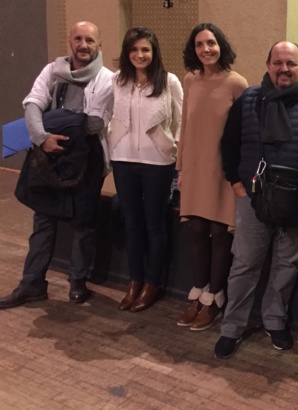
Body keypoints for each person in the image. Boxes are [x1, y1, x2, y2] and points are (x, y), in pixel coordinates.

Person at [214, 41, 298, 359]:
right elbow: (229, 144)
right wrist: (236, 183)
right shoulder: (249, 99)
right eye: (278, 62)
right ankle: (232, 327)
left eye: (291, 63)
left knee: (286, 266)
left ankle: (275, 321)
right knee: (245, 264)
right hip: (253, 199)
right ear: (267, 65)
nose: (284, 69)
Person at [0, 21, 114, 308]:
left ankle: (78, 281)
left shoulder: (108, 79)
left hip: (88, 159)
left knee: (84, 222)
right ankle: (32, 284)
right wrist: (42, 137)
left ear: (99, 44)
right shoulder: (52, 71)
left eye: (90, 40)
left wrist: (54, 121)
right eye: (78, 39)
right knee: (43, 220)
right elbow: (33, 104)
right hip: (48, 155)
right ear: (70, 41)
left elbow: (95, 122)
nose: (83, 45)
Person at [175, 23, 248, 331]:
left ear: (221, 46)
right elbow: (185, 126)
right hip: (194, 167)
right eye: (199, 44)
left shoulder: (237, 83)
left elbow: (244, 132)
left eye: (211, 43)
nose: (206, 49)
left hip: (222, 169)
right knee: (196, 230)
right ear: (193, 50)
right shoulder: (190, 80)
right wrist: (180, 168)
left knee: (219, 233)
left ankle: (214, 298)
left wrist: (238, 175)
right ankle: (198, 292)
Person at [109, 27, 183, 312]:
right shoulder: (117, 80)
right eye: (134, 49)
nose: (140, 55)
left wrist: (175, 150)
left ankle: (152, 283)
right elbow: (108, 113)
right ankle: (135, 280)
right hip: (123, 160)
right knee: (132, 222)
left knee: (155, 224)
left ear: (154, 52)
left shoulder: (169, 81)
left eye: (145, 50)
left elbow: (181, 121)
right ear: (127, 52)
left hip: (158, 162)